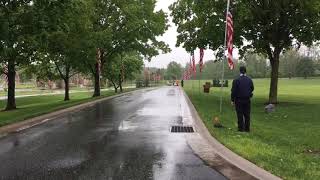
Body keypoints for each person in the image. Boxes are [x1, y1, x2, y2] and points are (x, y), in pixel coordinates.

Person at [231, 66, 254, 132]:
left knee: (240, 114)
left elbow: (233, 91)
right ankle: (247, 129)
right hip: (247, 99)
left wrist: (232, 100)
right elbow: (252, 88)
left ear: (240, 71)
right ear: (245, 71)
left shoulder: (236, 80)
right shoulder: (249, 79)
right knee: (247, 115)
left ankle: (240, 128)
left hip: (238, 100)